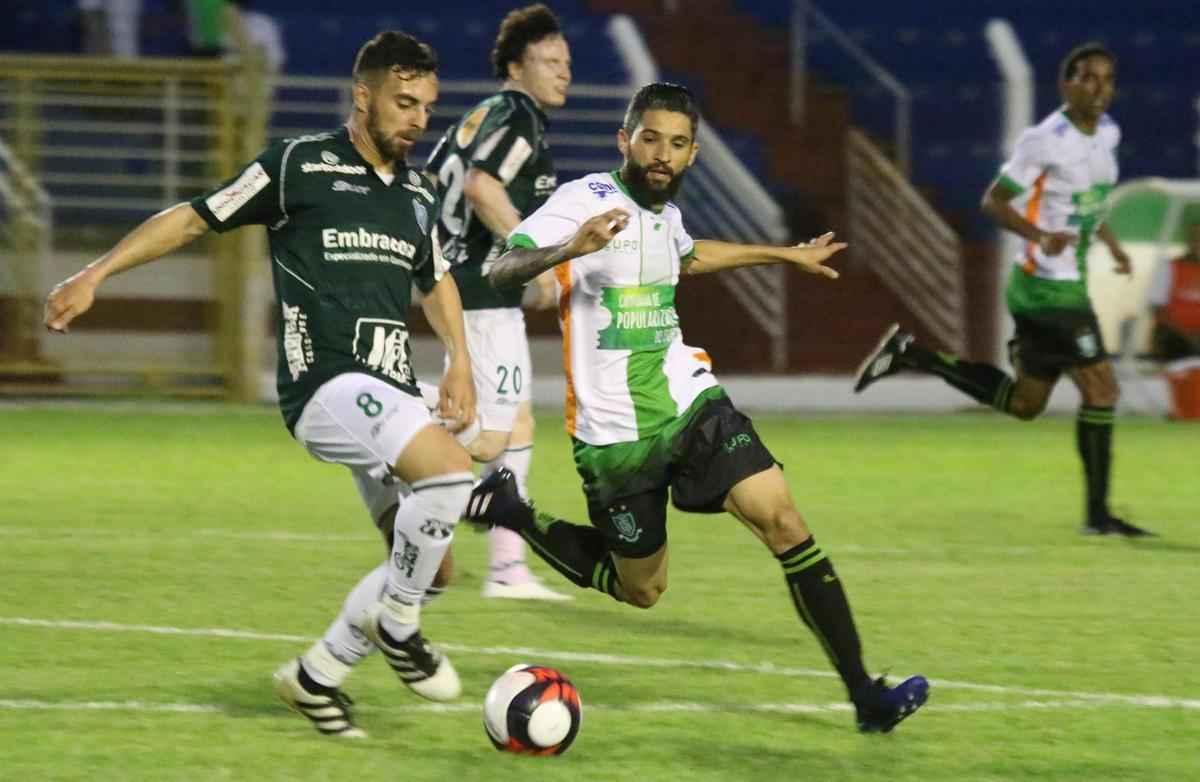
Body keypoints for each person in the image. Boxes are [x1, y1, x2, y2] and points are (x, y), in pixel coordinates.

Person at [44, 31, 475, 739]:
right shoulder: (297, 164)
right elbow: (195, 217)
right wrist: (96, 273)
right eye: (404, 102)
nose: (418, 119)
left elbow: (436, 281)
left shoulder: (419, 193)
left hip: (390, 390)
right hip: (326, 385)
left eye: (427, 106)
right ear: (362, 96)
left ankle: (316, 677)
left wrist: (459, 358)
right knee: (452, 472)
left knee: (433, 567)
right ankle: (397, 624)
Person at [465, 82, 929, 733]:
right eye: (650, 138)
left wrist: (783, 255)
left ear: (693, 154)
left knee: (784, 521)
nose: (663, 153)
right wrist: (571, 249)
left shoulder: (666, 214)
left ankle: (866, 697)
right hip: (615, 434)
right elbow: (501, 268)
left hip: (691, 404)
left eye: (677, 143)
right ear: (625, 140)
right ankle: (514, 511)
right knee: (642, 589)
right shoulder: (583, 200)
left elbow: (689, 255)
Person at [853, 42, 1153, 538]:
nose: (1100, 88)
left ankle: (911, 355)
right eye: (1088, 77)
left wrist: (1114, 247)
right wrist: (1040, 236)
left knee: (1025, 403)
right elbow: (994, 201)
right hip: (1045, 287)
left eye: (1108, 79)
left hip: (1064, 284)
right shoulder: (1045, 140)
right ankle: (1098, 517)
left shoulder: (1109, 134)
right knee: (1102, 388)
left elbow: (1090, 204)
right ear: (1067, 85)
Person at [423, 4, 571, 601]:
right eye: (549, 61)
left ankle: (508, 569)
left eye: (566, 62)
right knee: (487, 437)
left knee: (515, 423)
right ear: (515, 67)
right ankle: (391, 429)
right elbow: (481, 186)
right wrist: (535, 256)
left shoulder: (485, 114)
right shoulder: (519, 117)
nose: (563, 72)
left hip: (463, 281)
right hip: (481, 288)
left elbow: (438, 183)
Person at [1148, 221, 1200, 360]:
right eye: (1195, 238)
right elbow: (1157, 309)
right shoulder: (1169, 267)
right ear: (1189, 241)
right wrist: (1186, 335)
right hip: (1175, 338)